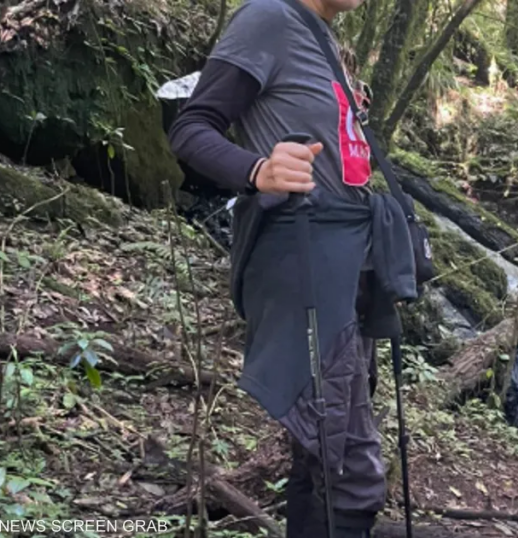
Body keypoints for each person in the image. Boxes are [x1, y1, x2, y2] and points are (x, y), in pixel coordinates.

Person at [168, 1, 418, 537]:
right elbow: (191, 127)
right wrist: (257, 169)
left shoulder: (320, 35)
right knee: (352, 475)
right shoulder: (269, 17)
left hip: (346, 264)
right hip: (305, 262)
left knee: (318, 453)